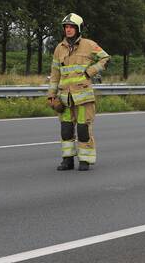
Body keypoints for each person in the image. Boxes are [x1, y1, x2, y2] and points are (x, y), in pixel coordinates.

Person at [46, 13, 110, 171]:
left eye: (71, 27)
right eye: (66, 27)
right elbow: (55, 73)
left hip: (83, 97)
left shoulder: (89, 44)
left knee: (83, 129)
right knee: (66, 129)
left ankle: (85, 160)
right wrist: (51, 95)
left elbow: (105, 58)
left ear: (78, 28)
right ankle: (67, 160)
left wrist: (90, 72)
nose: (68, 30)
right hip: (64, 97)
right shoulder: (59, 48)